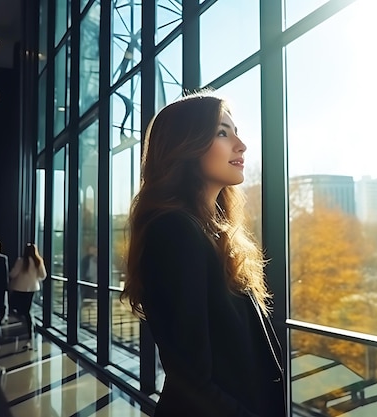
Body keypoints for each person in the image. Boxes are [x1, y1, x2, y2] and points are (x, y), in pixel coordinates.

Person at [120, 91, 286, 417]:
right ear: (186, 145)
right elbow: (192, 379)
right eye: (222, 132)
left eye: (235, 131)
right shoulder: (175, 231)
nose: (241, 144)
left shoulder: (211, 231)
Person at [9, 243, 46, 349]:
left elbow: (13, 274)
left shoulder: (21, 261)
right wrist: (35, 277)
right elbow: (43, 275)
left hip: (19, 288)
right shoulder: (38, 261)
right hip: (32, 288)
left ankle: (27, 327)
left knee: (17, 308)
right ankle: (30, 331)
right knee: (27, 310)